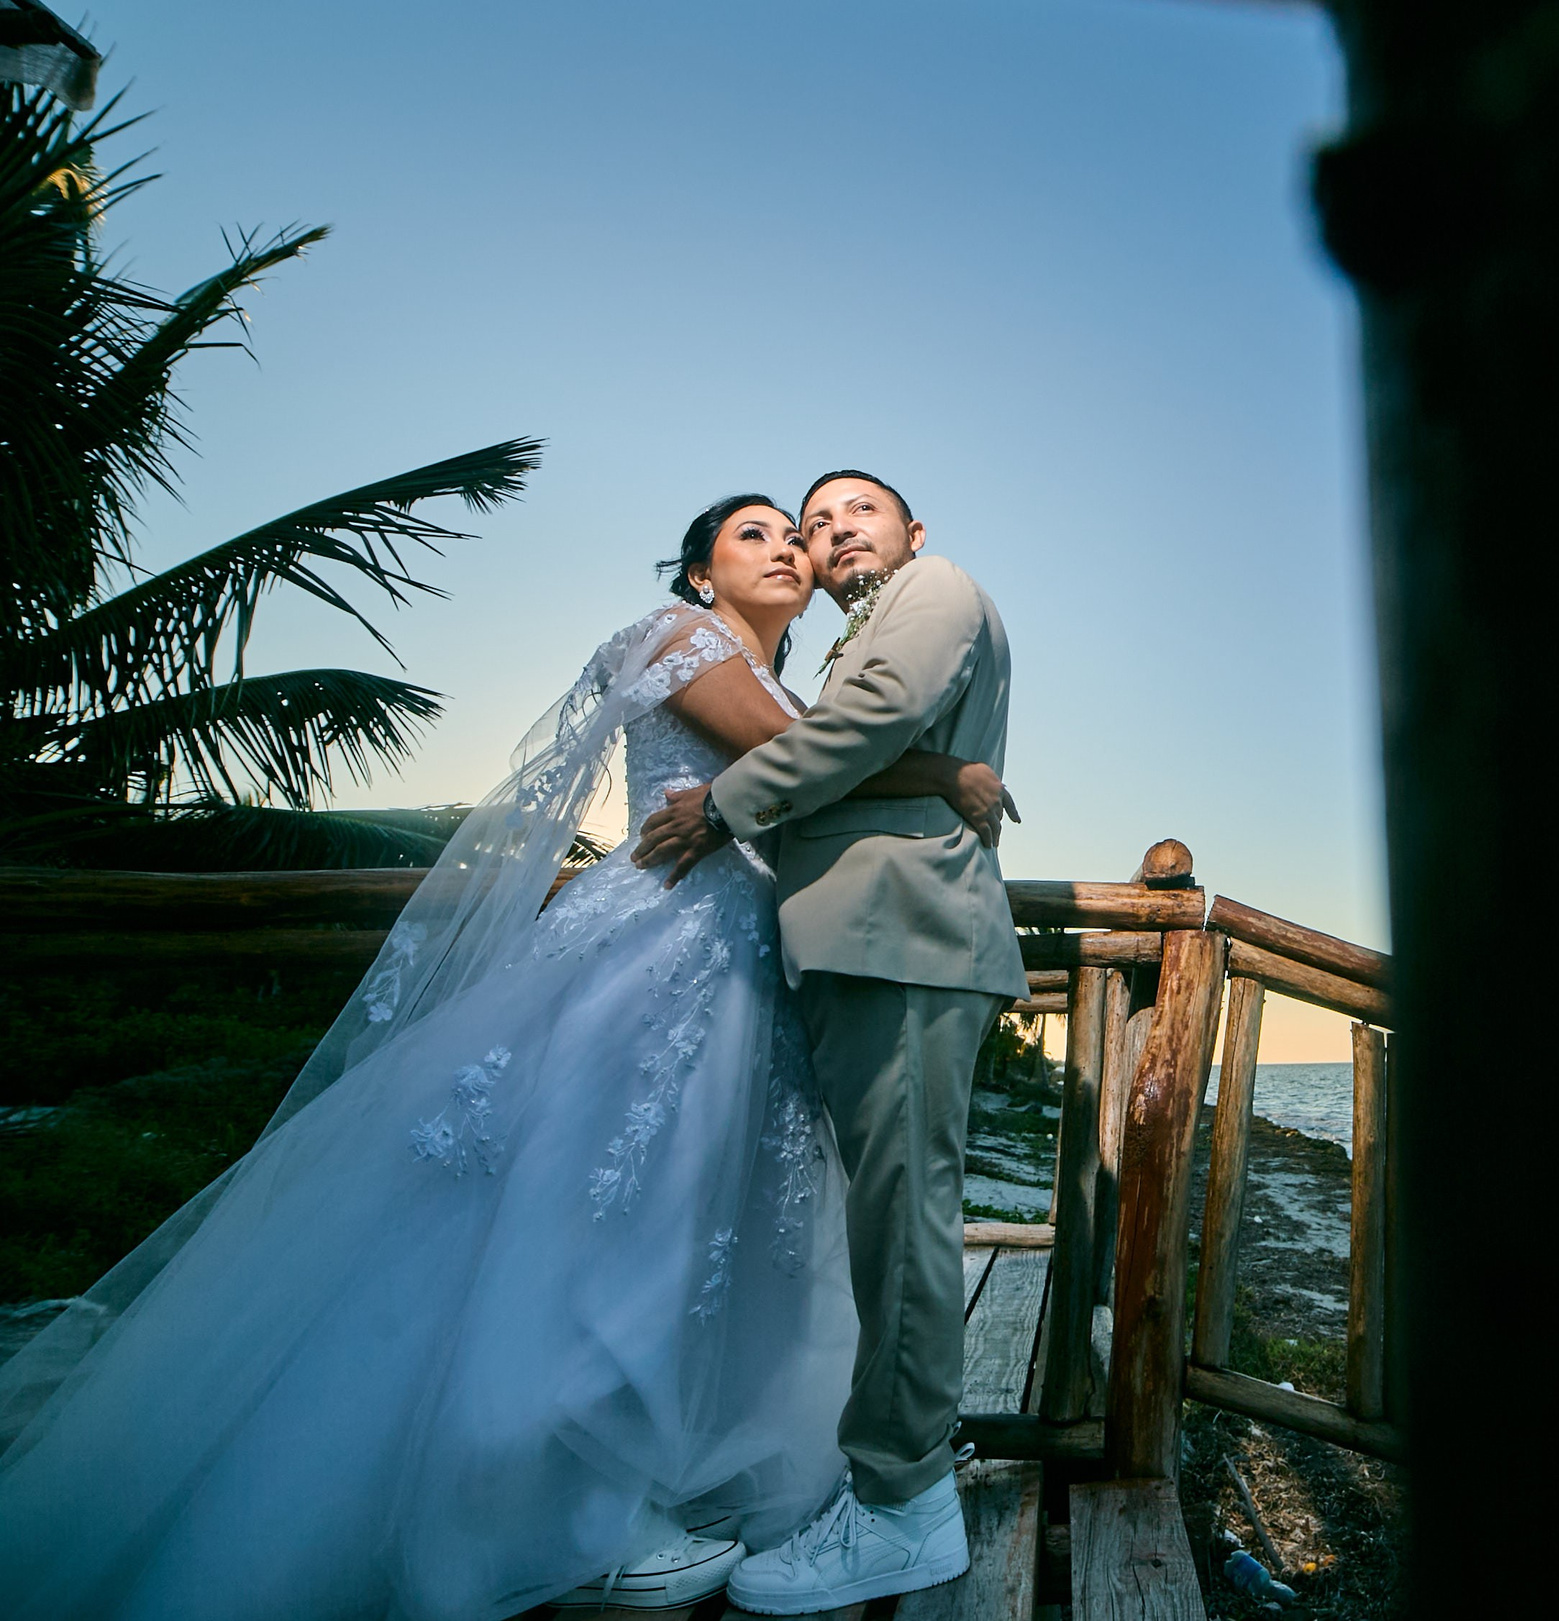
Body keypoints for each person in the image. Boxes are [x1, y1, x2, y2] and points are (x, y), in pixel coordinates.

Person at [0, 494, 1011, 1619]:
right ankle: (558, 1502)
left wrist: (912, 769)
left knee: (692, 1222)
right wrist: (942, 774)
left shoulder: (789, 684)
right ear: (699, 575)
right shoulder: (677, 635)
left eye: (797, 536)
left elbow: (820, 750)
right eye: (755, 534)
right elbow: (796, 758)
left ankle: (653, 1463)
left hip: (740, 965)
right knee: (602, 1211)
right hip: (659, 950)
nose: (788, 547)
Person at [634, 469, 1026, 1614]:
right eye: (815, 523)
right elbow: (853, 743)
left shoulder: (933, 587)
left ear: (913, 530)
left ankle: (901, 1504)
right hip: (865, 945)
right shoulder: (844, 632)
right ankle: (896, 1474)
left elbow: (865, 724)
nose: (829, 530)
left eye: (857, 509)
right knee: (884, 1220)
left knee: (901, 1223)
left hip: (902, 934)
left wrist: (719, 807)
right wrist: (944, 771)